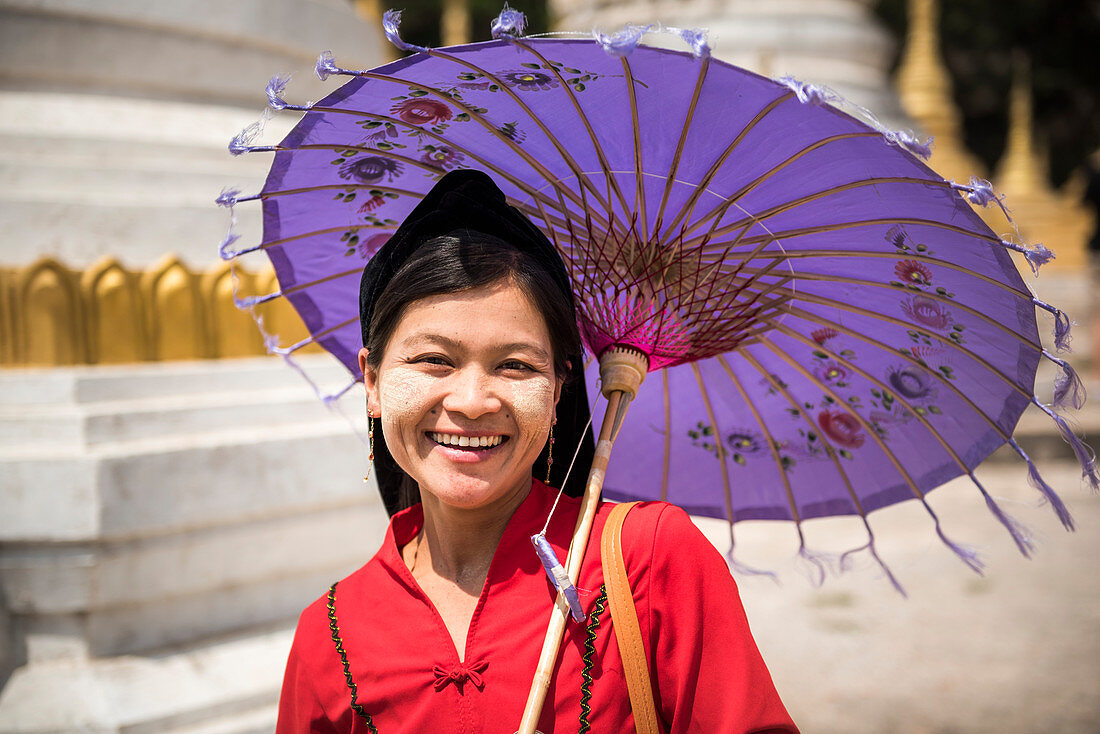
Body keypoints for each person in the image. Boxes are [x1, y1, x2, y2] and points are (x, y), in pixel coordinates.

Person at [275, 170, 798, 734]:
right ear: (372, 383)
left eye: (516, 365)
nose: (473, 401)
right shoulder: (329, 637)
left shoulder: (652, 561)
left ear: (558, 393)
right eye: (434, 360)